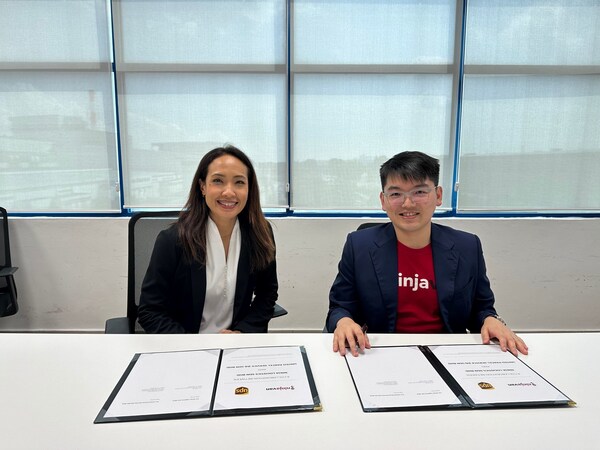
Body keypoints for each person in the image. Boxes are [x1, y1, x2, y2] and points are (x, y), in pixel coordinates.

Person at [326, 151, 528, 356]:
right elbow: (339, 307)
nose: (408, 204)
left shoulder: (467, 246)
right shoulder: (359, 245)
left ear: (438, 195)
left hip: (449, 353)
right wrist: (344, 322)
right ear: (383, 200)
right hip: (381, 352)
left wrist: (491, 320)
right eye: (396, 194)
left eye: (419, 192)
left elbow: (481, 308)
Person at [138, 145, 278, 333]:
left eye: (239, 182)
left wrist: (242, 332)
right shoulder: (172, 240)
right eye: (218, 181)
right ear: (203, 187)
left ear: (249, 189)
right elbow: (150, 311)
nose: (229, 192)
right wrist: (193, 346)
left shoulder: (260, 233)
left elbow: (266, 295)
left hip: (235, 345)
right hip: (185, 347)